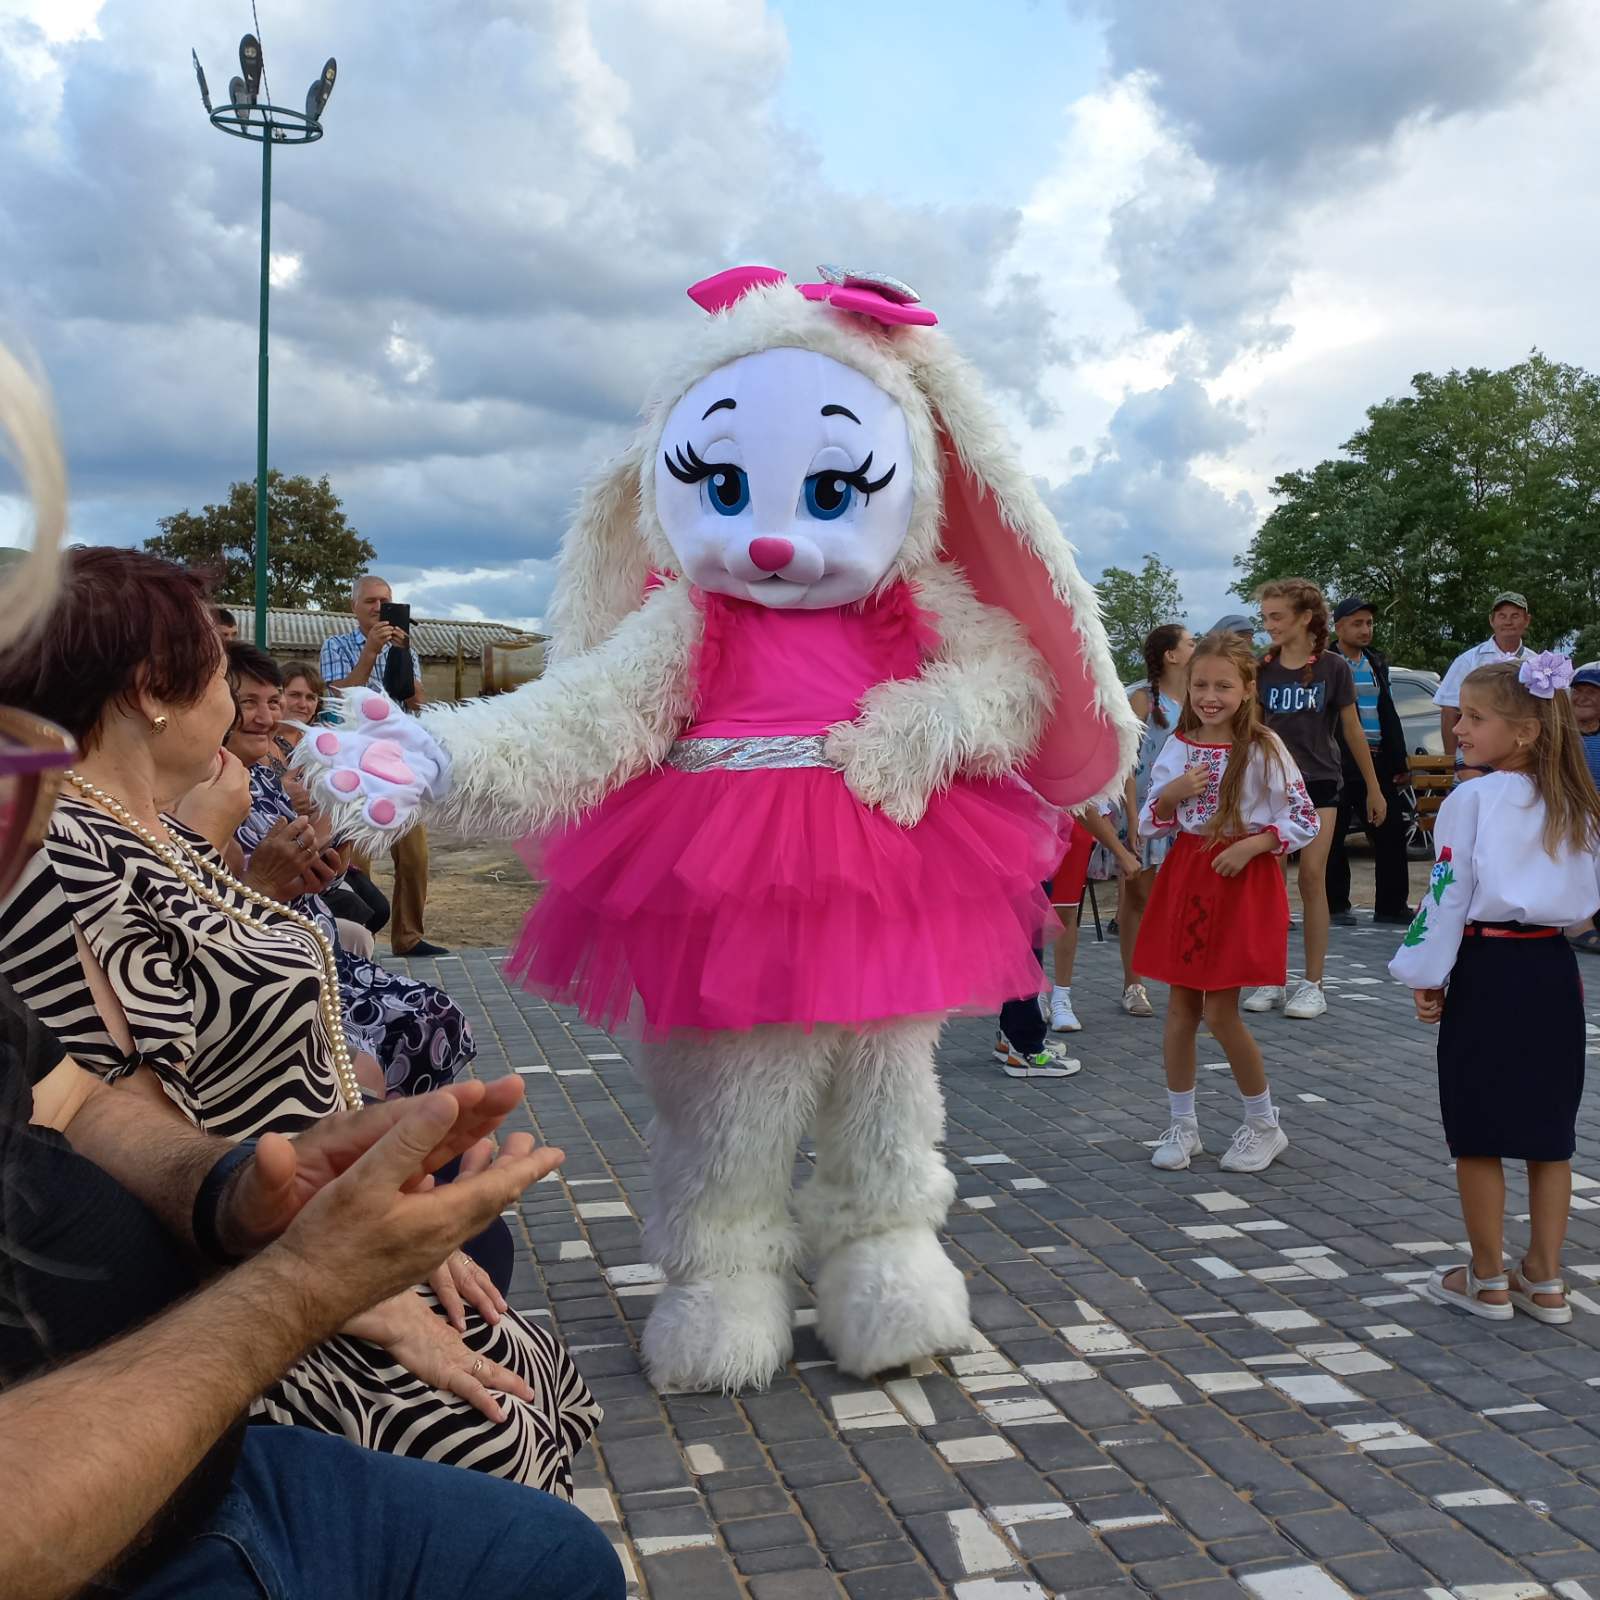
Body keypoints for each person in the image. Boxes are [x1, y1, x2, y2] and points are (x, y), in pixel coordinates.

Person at [0, 344, 621, 1600]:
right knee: (504, 1487)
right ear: (149, 689)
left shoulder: (141, 829)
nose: (244, 692)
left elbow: (71, 1088)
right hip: (197, 1343)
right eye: (223, 665)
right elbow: (125, 1069)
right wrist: (295, 1270)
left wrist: (272, 1195)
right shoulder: (55, 847)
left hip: (267, 1236)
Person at [1390, 655, 1600, 1325]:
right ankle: (1544, 1279)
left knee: (1477, 1131)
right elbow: (1582, 908)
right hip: (1551, 972)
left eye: (1476, 719)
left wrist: (1427, 975)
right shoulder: (1577, 800)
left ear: (1527, 730)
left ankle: (1485, 1278)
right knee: (1549, 1133)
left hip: (1486, 970)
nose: (1458, 729)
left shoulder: (1471, 799)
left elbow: (1447, 896)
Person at [225, 643, 470, 1098]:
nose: (265, 715)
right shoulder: (219, 787)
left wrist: (332, 839)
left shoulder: (257, 774)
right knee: (417, 1021)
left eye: (272, 702)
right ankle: (387, 1140)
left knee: (440, 1014)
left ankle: (401, 1136)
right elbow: (233, 892)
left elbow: (305, 849)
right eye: (248, 703)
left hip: (319, 948)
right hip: (284, 967)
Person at [1134, 633, 1320, 1174]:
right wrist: (1172, 796)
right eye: (1200, 684)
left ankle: (1264, 1123)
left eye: (1222, 685)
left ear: (1246, 689)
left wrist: (1254, 843)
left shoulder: (1264, 747)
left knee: (1220, 1011)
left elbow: (1304, 818)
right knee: (1180, 1009)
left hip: (1240, 880)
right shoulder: (1179, 744)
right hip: (1189, 877)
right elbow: (1151, 820)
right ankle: (1182, 1124)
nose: (1209, 695)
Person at [1243, 578, 1384, 1021]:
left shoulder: (1333, 668)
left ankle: (1313, 984)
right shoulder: (1261, 669)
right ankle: (1270, 976)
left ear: (1305, 618)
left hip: (1320, 784)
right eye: (1265, 617)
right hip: (1270, 786)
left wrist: (1374, 786)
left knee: (1310, 876)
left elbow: (1352, 729)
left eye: (1277, 616)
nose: (1269, 625)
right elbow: (1249, 732)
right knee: (1268, 883)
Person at [321, 576, 446, 957]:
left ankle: (408, 937)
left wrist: (404, 658)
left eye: (386, 600)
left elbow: (415, 701)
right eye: (371, 601)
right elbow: (339, 696)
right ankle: (360, 938)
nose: (379, 607)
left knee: (414, 855)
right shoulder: (336, 645)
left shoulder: (406, 647)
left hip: (399, 761)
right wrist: (371, 652)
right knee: (358, 855)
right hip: (357, 760)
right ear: (353, 607)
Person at [277, 657, 391, 933]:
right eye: (294, 695)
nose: (303, 704)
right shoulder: (265, 745)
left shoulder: (320, 741)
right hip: (293, 856)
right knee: (362, 912)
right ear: (278, 696)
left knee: (378, 909)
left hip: (332, 848)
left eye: (311, 696)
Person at [1117, 624, 1195, 1015]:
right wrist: (1131, 817)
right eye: (1190, 642)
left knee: (1182, 897)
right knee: (1138, 896)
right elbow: (1127, 764)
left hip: (1187, 813)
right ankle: (1133, 984)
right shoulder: (1142, 700)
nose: (1196, 647)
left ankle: (1186, 977)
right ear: (1171, 654)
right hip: (1146, 809)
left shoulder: (1200, 698)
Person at [1326, 596, 1413, 927]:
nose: (1365, 629)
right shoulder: (1326, 662)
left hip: (1377, 760)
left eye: (1369, 623)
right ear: (1339, 627)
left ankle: (1391, 906)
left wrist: (1399, 759)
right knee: (1333, 835)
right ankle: (1335, 905)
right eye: (1357, 623)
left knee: (1390, 831)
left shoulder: (1375, 662)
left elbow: (1387, 711)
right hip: (1336, 760)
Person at [1436, 592, 1534, 765]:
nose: (1508, 622)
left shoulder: (1536, 663)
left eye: (1515, 616)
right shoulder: (1469, 660)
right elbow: (1449, 711)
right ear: (1492, 620)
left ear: (1527, 620)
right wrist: (1452, 762)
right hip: (1475, 759)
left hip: (1522, 759)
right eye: (1502, 616)